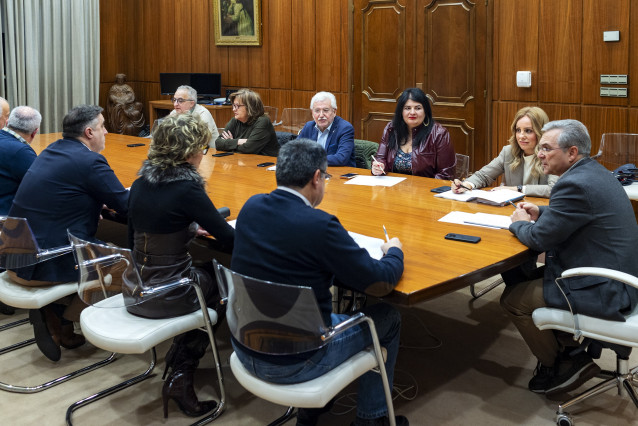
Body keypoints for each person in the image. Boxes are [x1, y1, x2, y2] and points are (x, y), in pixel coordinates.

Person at [231, 139, 408, 426]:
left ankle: (311, 414)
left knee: (322, 309)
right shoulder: (320, 225)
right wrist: (395, 251)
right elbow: (380, 283)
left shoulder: (251, 207)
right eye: (325, 177)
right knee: (388, 316)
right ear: (316, 178)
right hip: (297, 361)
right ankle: (372, 420)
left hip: (244, 344)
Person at [501, 119, 638, 397]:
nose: (539, 154)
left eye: (546, 148)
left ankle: (565, 363)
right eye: (540, 148)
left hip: (607, 288)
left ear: (572, 152)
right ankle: (567, 344)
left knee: (515, 300)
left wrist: (518, 223)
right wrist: (542, 212)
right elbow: (577, 215)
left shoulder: (573, 183)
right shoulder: (593, 173)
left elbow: (539, 239)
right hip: (623, 276)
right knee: (523, 278)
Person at [127, 113, 234, 418]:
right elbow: (228, 239)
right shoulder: (187, 188)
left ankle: (178, 359)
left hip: (136, 287)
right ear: (188, 151)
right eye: (202, 148)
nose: (204, 154)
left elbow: (134, 238)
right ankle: (182, 370)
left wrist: (187, 229)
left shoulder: (139, 183)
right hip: (168, 293)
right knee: (221, 278)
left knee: (205, 269)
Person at [8, 105, 129, 362]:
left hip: (12, 256)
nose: (106, 131)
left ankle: (56, 316)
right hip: (41, 263)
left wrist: (94, 199)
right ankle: (62, 316)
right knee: (125, 264)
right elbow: (127, 207)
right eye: (102, 126)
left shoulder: (50, 151)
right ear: (89, 132)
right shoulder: (90, 161)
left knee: (101, 244)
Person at [452, 106, 557, 197]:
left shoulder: (553, 155)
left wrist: (517, 189)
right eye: (518, 130)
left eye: (528, 131)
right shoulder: (509, 152)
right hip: (512, 209)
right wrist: (466, 185)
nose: (521, 136)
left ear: (541, 132)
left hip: (541, 211)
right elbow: (483, 176)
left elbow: (553, 189)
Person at [372, 88, 455, 179]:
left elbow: (446, 174)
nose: (412, 112)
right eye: (407, 108)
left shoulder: (439, 134)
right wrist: (378, 167)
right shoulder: (391, 129)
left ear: (425, 111)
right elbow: (380, 158)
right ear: (401, 111)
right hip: (393, 188)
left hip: (424, 190)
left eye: (418, 108)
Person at [0, 106, 41, 215]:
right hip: (7, 218)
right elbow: (40, 186)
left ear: (7, 122)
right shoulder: (22, 152)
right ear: (35, 132)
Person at [214, 88, 279, 156]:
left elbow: (249, 148)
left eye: (237, 106)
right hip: (242, 161)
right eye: (233, 105)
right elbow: (218, 143)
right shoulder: (235, 121)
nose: (233, 109)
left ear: (250, 106)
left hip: (266, 163)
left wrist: (230, 143)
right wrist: (239, 141)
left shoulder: (263, 121)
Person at [298, 91, 356, 167]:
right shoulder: (309, 126)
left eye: (325, 110)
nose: (321, 115)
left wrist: (311, 159)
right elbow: (295, 150)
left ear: (334, 112)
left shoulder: (345, 128)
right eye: (317, 111)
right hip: (314, 172)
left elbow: (341, 158)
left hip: (340, 174)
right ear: (312, 113)